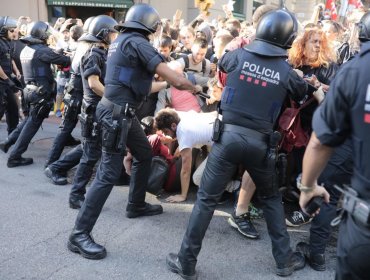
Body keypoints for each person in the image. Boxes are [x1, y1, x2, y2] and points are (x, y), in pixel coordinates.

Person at [166, 10, 317, 278]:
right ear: (288, 39)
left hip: (227, 138)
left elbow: (223, 63)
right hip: (261, 144)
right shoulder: (287, 72)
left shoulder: (237, 56)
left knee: (206, 201)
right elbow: (303, 92)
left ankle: (186, 262)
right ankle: (284, 261)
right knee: (271, 200)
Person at [67, 3, 201, 260]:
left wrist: (171, 83)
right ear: (149, 25)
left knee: (143, 153)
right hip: (116, 115)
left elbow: (144, 85)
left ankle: (136, 204)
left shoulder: (123, 41)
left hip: (121, 113)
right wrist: (190, 86)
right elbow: (173, 78)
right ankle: (79, 234)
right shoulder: (139, 43)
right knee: (107, 173)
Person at [298, 11, 370, 280]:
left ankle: (316, 253)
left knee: (327, 195)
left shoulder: (356, 69)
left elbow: (321, 140)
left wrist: (307, 186)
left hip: (349, 152)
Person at [0, 21, 71, 167]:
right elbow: (65, 60)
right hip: (40, 93)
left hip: (30, 92)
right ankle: (15, 156)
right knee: (31, 126)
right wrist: (60, 50)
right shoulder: (42, 50)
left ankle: (8, 142)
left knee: (27, 121)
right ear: (42, 34)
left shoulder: (28, 49)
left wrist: (54, 52)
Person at [68, 15, 118, 209]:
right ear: (104, 34)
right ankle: (76, 195)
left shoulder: (101, 52)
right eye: (113, 32)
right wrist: (113, 98)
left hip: (97, 111)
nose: (115, 36)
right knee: (89, 156)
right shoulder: (94, 53)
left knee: (92, 154)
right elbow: (94, 84)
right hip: (94, 112)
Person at [44, 17, 95, 169]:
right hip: (78, 94)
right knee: (67, 129)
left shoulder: (83, 45)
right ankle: (52, 165)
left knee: (68, 129)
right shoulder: (89, 47)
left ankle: (53, 164)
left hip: (75, 92)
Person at [0, 16, 21, 135]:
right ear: (3, 30)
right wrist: (7, 80)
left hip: (6, 80)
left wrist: (16, 72)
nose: (13, 32)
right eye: (11, 30)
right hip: (2, 81)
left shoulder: (7, 42)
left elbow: (10, 59)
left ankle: (12, 139)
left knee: (13, 109)